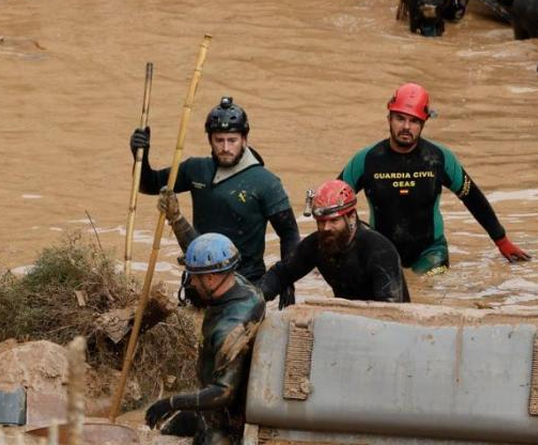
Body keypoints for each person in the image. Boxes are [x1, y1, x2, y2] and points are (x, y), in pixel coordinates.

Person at [339, 83, 531, 276]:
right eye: (400, 118)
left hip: (430, 253)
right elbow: (333, 203)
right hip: (382, 251)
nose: (406, 127)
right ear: (389, 118)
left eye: (414, 121)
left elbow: (472, 197)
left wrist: (501, 240)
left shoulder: (439, 158)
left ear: (424, 123)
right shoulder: (366, 160)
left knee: (431, 287)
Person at [130, 96, 299, 307]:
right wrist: (140, 155)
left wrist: (287, 283)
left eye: (232, 140)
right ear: (210, 140)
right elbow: (149, 184)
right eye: (219, 140)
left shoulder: (266, 182)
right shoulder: (195, 169)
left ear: (244, 139)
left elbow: (289, 234)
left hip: (245, 284)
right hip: (200, 283)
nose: (226, 147)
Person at [145, 233, 265, 444]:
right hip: (219, 396)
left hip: (227, 416)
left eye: (194, 277)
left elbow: (223, 392)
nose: (191, 282)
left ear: (210, 278)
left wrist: (171, 402)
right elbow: (204, 253)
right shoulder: (237, 283)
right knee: (168, 429)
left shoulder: (229, 329)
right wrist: (176, 220)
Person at [258, 179, 409, 303]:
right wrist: (256, 300)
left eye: (334, 221)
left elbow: (391, 309)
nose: (325, 228)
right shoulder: (318, 243)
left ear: (351, 217)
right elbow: (280, 274)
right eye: (321, 222)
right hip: (345, 317)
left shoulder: (379, 250)